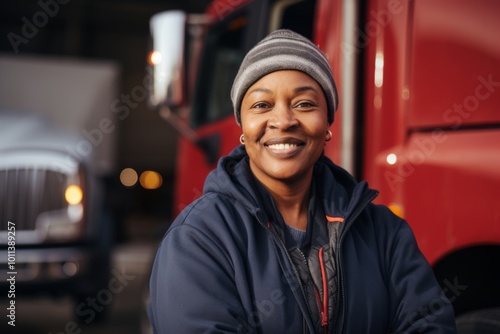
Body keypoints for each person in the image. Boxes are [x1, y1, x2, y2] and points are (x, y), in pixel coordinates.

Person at [148, 29, 457, 333]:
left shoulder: (384, 232)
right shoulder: (199, 238)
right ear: (243, 127)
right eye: (261, 105)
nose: (283, 121)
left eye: (304, 104)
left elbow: (429, 324)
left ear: (327, 125)